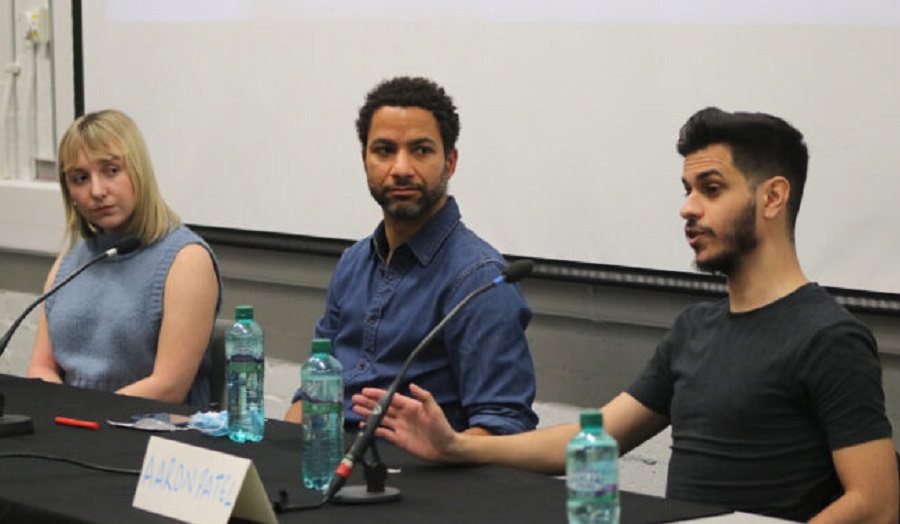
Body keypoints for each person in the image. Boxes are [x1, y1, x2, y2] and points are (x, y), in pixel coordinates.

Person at [352, 107, 899, 522]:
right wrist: (457, 446)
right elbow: (596, 439)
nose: (687, 207)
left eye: (711, 189)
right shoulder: (695, 329)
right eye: (687, 190)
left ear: (773, 197)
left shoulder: (828, 335)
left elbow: (875, 505)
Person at [285, 76, 538, 435]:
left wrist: (444, 448)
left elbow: (504, 427)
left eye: (421, 150)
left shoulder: (480, 279)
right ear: (364, 161)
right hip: (329, 461)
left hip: (416, 478)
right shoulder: (354, 263)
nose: (401, 168)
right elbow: (312, 393)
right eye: (384, 150)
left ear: (450, 163)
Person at [26, 109, 221, 408]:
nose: (97, 191)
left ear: (138, 171)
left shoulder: (186, 260)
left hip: (152, 433)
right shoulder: (70, 262)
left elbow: (169, 387)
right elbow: (41, 369)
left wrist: (86, 415)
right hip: (74, 425)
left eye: (112, 171)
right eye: (80, 178)